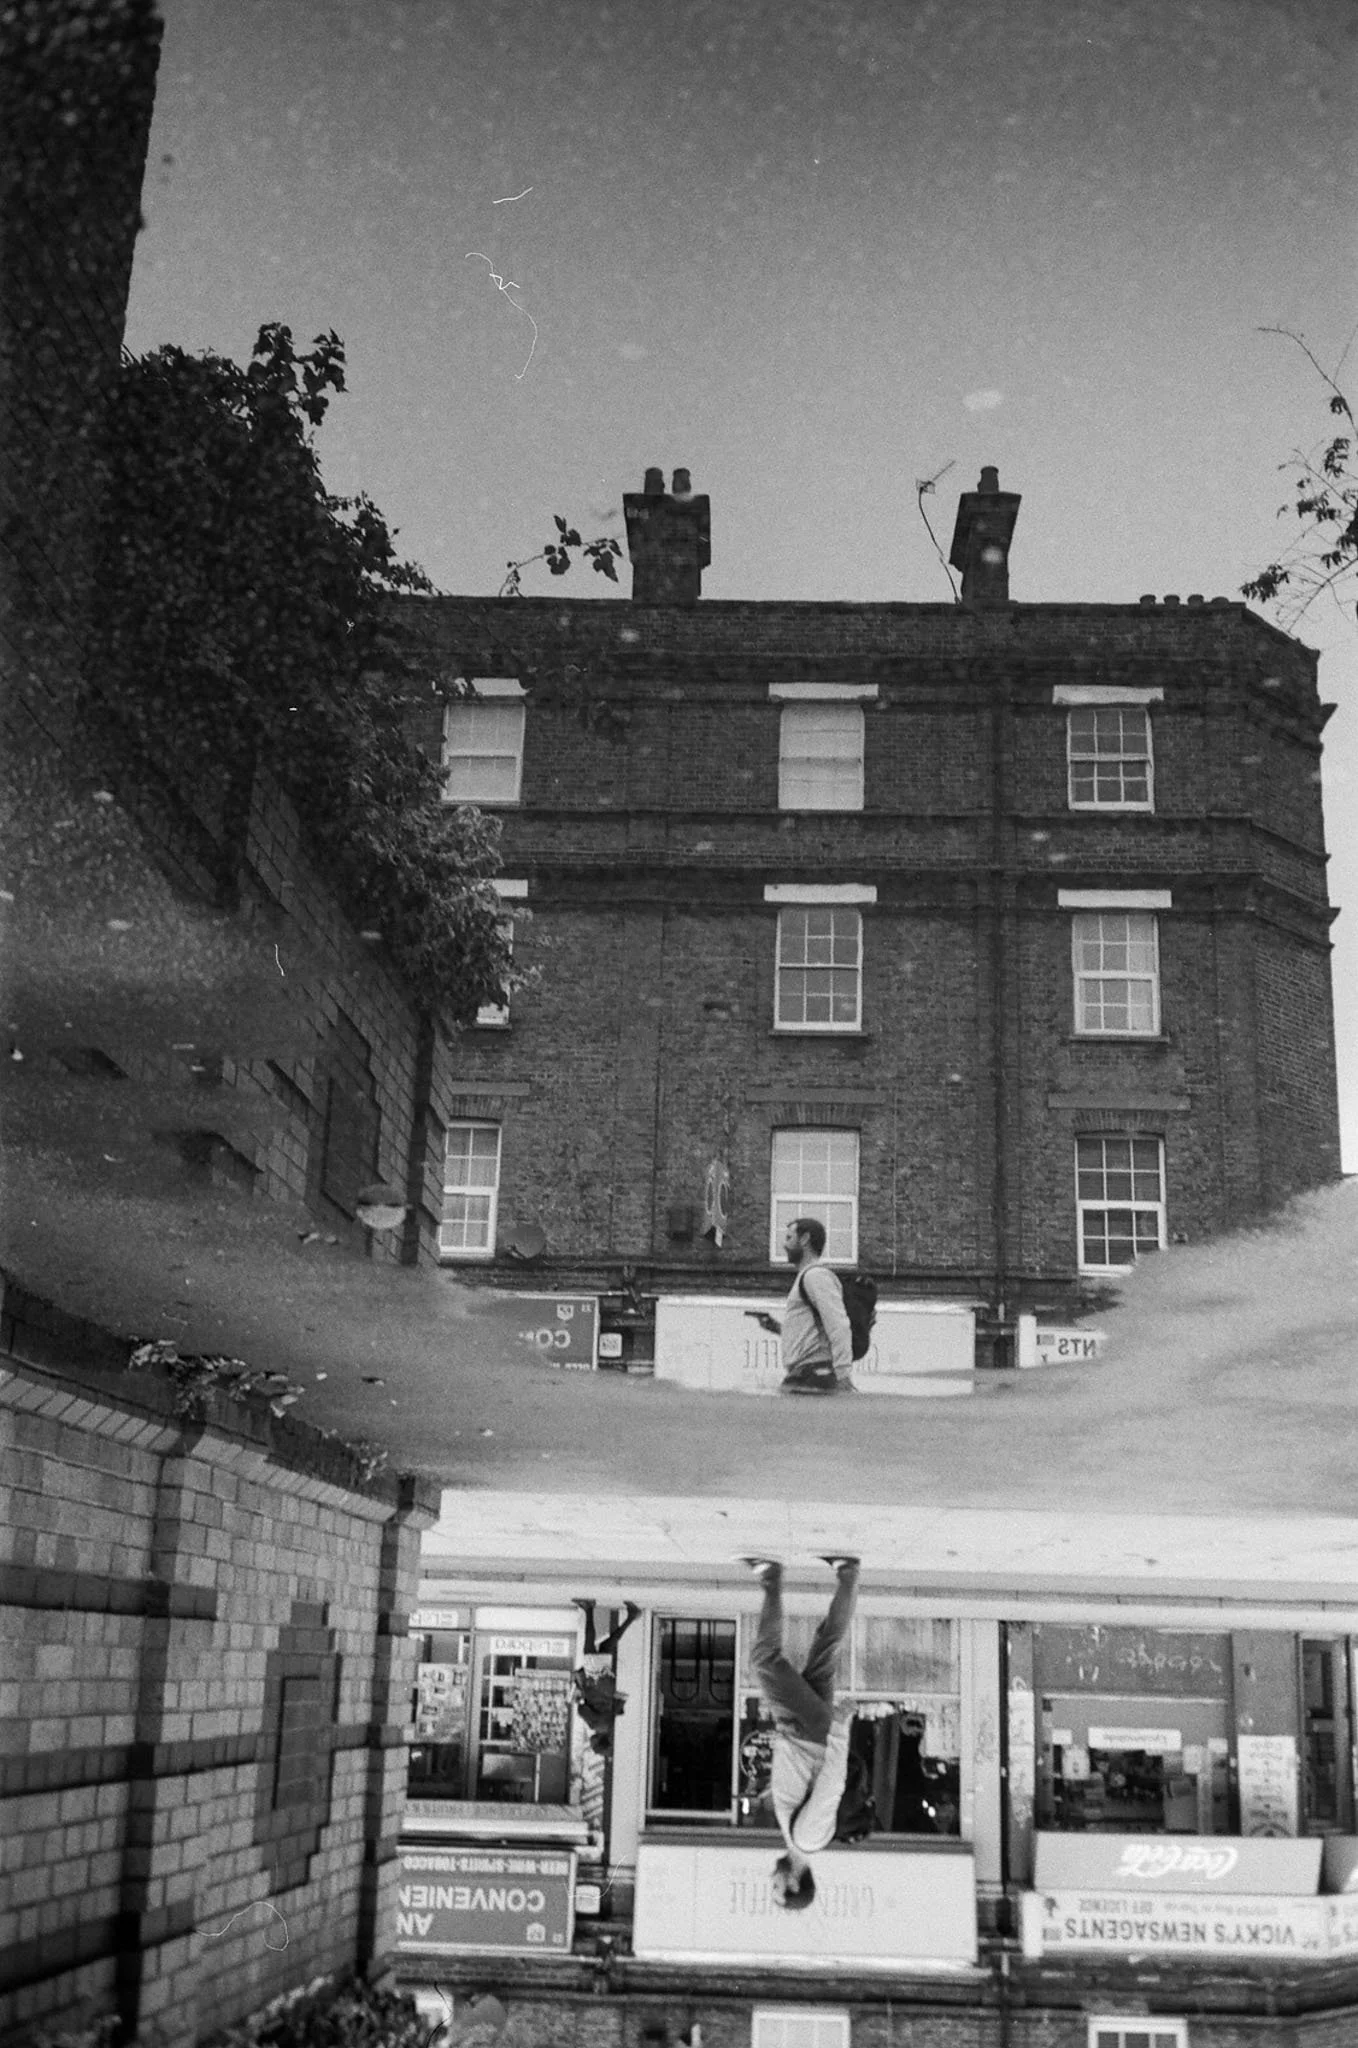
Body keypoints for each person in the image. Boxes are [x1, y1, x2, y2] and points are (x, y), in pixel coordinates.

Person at [744, 1553, 860, 1909]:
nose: (772, 1882)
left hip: (807, 1733)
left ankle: (848, 1575)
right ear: (794, 1883)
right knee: (765, 1659)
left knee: (825, 1646)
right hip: (806, 1731)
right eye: (777, 1889)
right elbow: (831, 1785)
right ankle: (771, 1577)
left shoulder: (800, 1839)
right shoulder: (808, 1839)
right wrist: (840, 1728)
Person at [747, 1216, 854, 1394]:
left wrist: (843, 1373)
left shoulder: (815, 1276)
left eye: (789, 1238)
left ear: (804, 1239)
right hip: (806, 1371)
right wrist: (777, 1327)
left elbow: (838, 1325)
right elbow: (811, 1332)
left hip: (814, 1371)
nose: (784, 1245)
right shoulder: (808, 1277)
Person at [571, 1599, 641, 1755]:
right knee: (589, 1645)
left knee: (608, 1645)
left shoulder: (609, 1725)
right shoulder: (594, 1725)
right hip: (594, 1681)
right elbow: (582, 1710)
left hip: (607, 1681)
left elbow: (620, 1703)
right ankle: (588, 1609)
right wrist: (578, 1699)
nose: (590, 1741)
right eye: (593, 1744)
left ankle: (631, 1616)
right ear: (597, 1741)